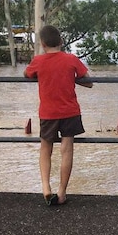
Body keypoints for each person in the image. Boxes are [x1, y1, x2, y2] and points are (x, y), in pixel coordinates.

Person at [24, 25, 92, 207]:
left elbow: (27, 74)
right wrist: (71, 78)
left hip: (48, 112)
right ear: (61, 42)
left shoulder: (38, 61)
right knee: (66, 150)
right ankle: (61, 192)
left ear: (42, 43)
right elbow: (89, 81)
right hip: (70, 111)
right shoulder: (71, 59)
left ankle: (46, 189)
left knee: (45, 149)